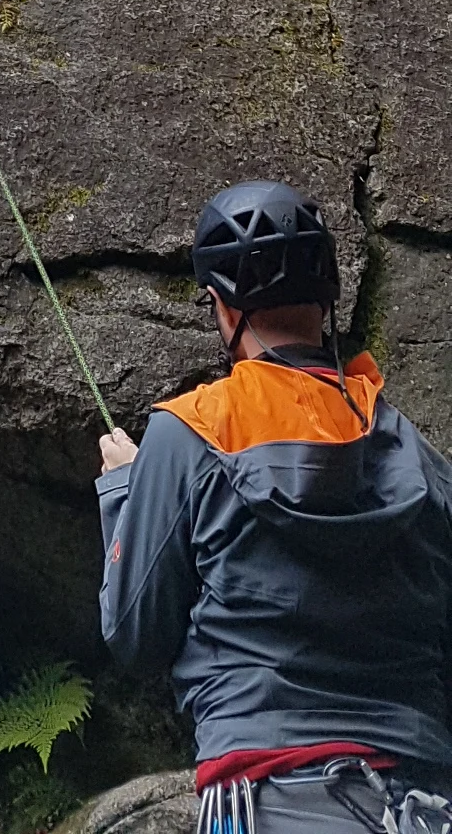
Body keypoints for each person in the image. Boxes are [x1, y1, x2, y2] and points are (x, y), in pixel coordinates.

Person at [96, 180, 452, 834]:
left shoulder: (193, 432)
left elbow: (136, 634)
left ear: (222, 308)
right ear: (328, 301)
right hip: (424, 803)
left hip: (265, 797)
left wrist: (124, 491)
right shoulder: (416, 456)